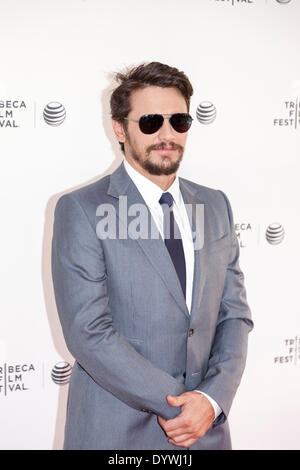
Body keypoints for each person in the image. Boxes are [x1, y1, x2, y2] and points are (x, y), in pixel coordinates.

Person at [51, 61, 253, 450]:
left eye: (179, 121)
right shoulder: (81, 210)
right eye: (150, 122)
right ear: (120, 128)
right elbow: (88, 332)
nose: (167, 134)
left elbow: (235, 314)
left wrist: (210, 402)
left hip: (206, 432)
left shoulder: (215, 205)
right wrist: (183, 407)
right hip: (117, 433)